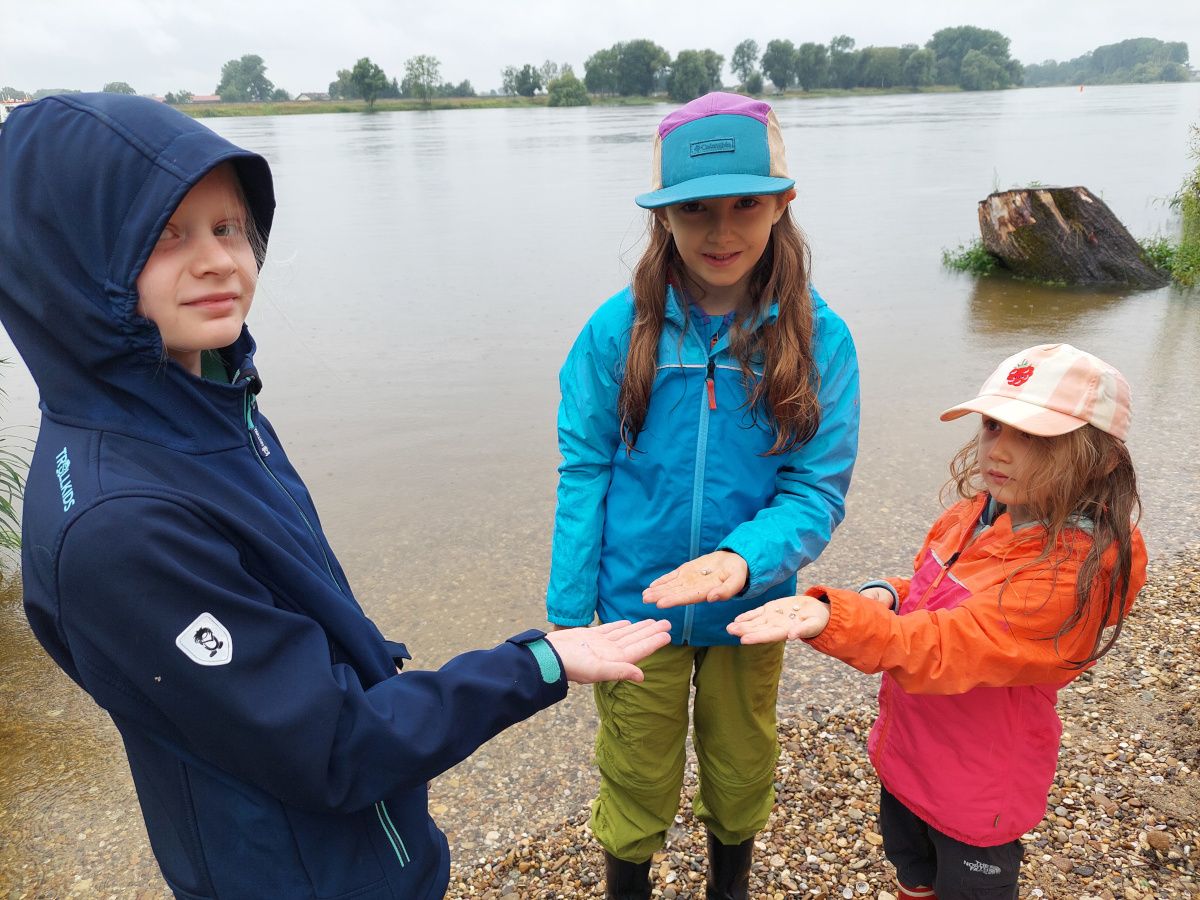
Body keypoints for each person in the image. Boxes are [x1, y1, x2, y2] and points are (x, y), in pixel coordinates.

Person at [0, 93, 671, 900]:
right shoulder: (119, 526)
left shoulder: (208, 400)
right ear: (72, 261)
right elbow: (331, 747)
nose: (218, 259)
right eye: (165, 235)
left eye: (226, 227)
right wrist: (536, 662)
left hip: (356, 846)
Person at [547, 92, 860, 899]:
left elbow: (815, 489)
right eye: (695, 210)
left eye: (746, 205)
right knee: (636, 770)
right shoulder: (612, 335)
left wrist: (740, 558)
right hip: (633, 610)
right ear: (664, 219)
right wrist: (568, 612)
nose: (722, 234)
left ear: (784, 203)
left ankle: (731, 886)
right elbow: (584, 470)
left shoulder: (822, 340)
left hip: (748, 610)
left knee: (741, 761)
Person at [728, 344, 1148, 900]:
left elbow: (953, 645)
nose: (1000, 449)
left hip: (980, 785)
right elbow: (934, 597)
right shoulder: (978, 512)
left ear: (1101, 459)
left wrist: (835, 618)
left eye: (1035, 437)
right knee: (912, 870)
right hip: (910, 753)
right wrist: (887, 597)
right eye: (994, 426)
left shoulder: (1075, 567)